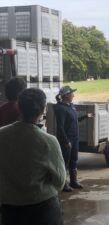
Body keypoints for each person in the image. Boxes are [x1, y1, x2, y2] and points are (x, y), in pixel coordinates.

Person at [0, 88, 66, 225]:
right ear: (42, 110)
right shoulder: (48, 141)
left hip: (9, 210)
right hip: (43, 210)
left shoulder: (2, 135)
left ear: (18, 107)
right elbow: (60, 181)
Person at [55, 85, 92, 192]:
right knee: (65, 161)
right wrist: (66, 141)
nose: (73, 95)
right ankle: (64, 183)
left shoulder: (70, 106)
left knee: (74, 159)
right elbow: (60, 127)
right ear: (66, 95)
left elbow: (74, 119)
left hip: (75, 138)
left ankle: (73, 181)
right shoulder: (60, 108)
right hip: (67, 139)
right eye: (72, 93)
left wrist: (86, 116)